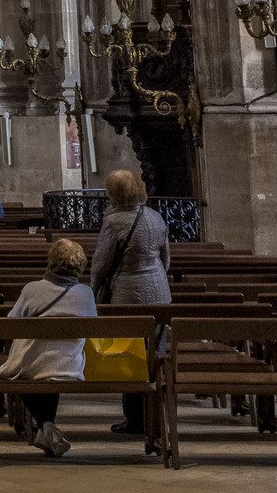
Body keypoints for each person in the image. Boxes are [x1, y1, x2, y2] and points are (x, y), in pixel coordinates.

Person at [0, 236, 96, 459]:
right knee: (53, 366)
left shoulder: (32, 289)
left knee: (23, 372)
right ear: (80, 265)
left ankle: (46, 426)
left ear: (51, 262)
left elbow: (11, 324)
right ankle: (47, 429)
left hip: (34, 365)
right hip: (70, 364)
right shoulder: (86, 293)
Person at [91, 169, 169, 439]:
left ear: (113, 194)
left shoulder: (114, 222)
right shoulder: (155, 217)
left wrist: (94, 288)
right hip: (159, 290)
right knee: (155, 352)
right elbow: (165, 258)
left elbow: (101, 264)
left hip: (128, 291)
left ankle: (135, 417)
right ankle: (156, 412)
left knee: (131, 354)